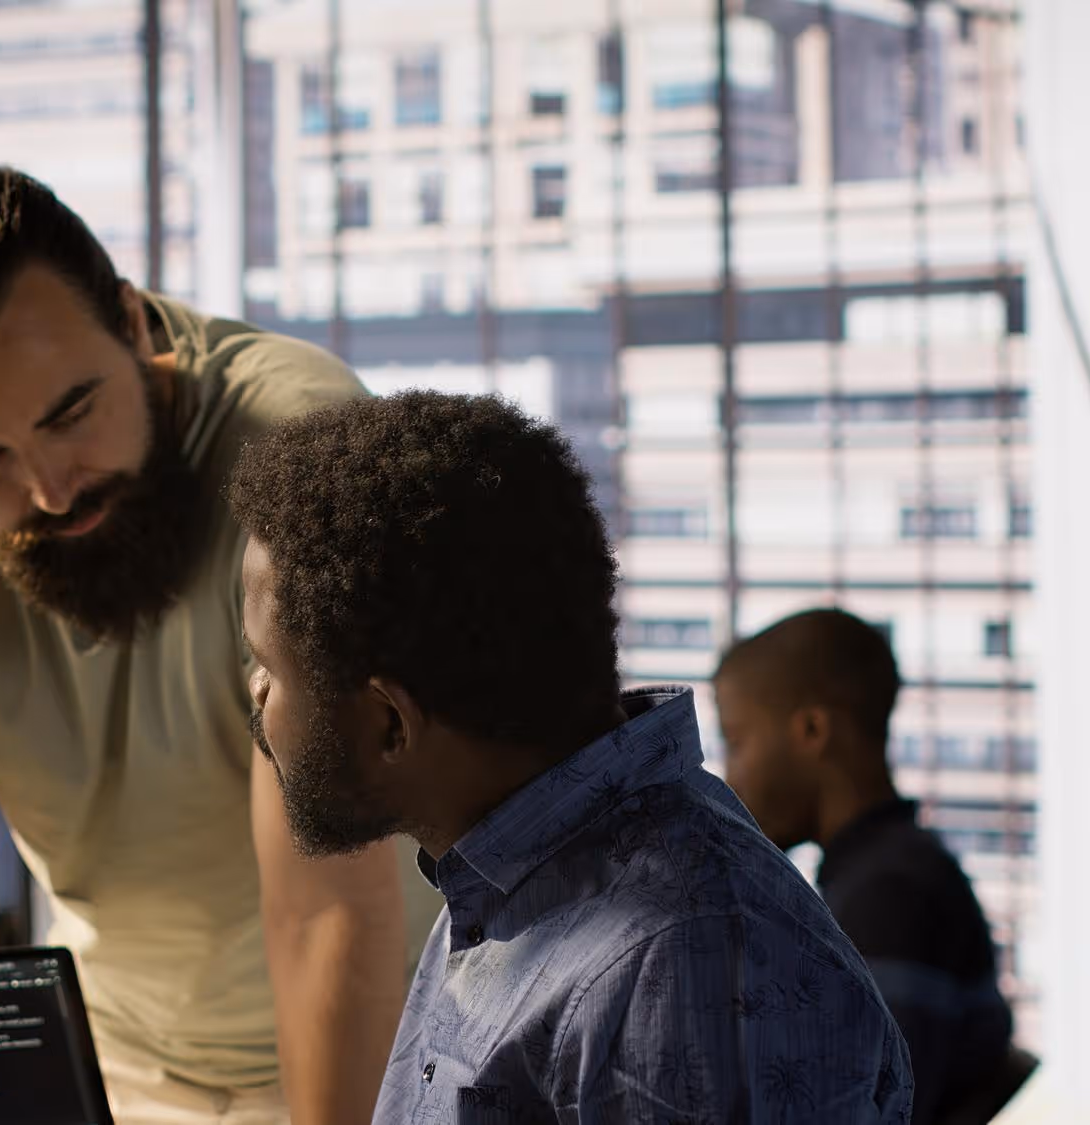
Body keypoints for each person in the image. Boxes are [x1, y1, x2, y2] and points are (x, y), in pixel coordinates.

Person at [0, 165, 425, 1124]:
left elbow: (328, 916)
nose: (51, 488)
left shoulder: (300, 444)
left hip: (386, 1045)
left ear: (137, 327)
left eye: (69, 415)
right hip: (117, 1055)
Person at [228, 390, 915, 1123]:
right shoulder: (506, 870)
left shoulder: (683, 969)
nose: (254, 688)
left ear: (391, 723)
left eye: (270, 664)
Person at [716, 608, 1037, 1124]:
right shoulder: (888, 873)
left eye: (736, 741)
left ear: (812, 730)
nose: (728, 776)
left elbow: (867, 1111)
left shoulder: (890, 893)